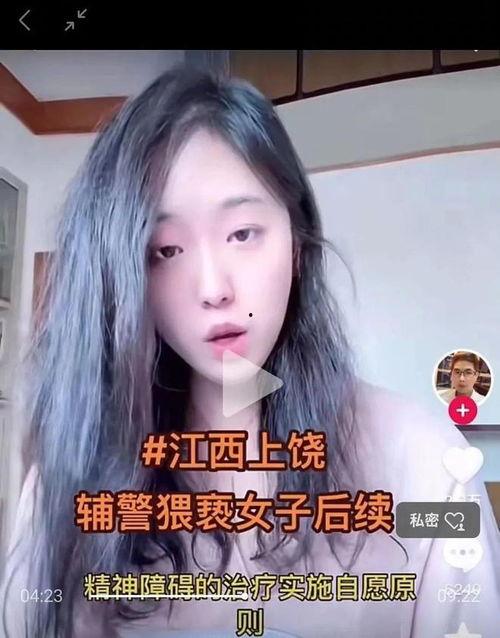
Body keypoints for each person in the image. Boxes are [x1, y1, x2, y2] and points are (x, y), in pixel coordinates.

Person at [1, 64, 499, 638]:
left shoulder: (426, 464)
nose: (213, 288)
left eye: (242, 234)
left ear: (298, 243)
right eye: (165, 250)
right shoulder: (70, 472)